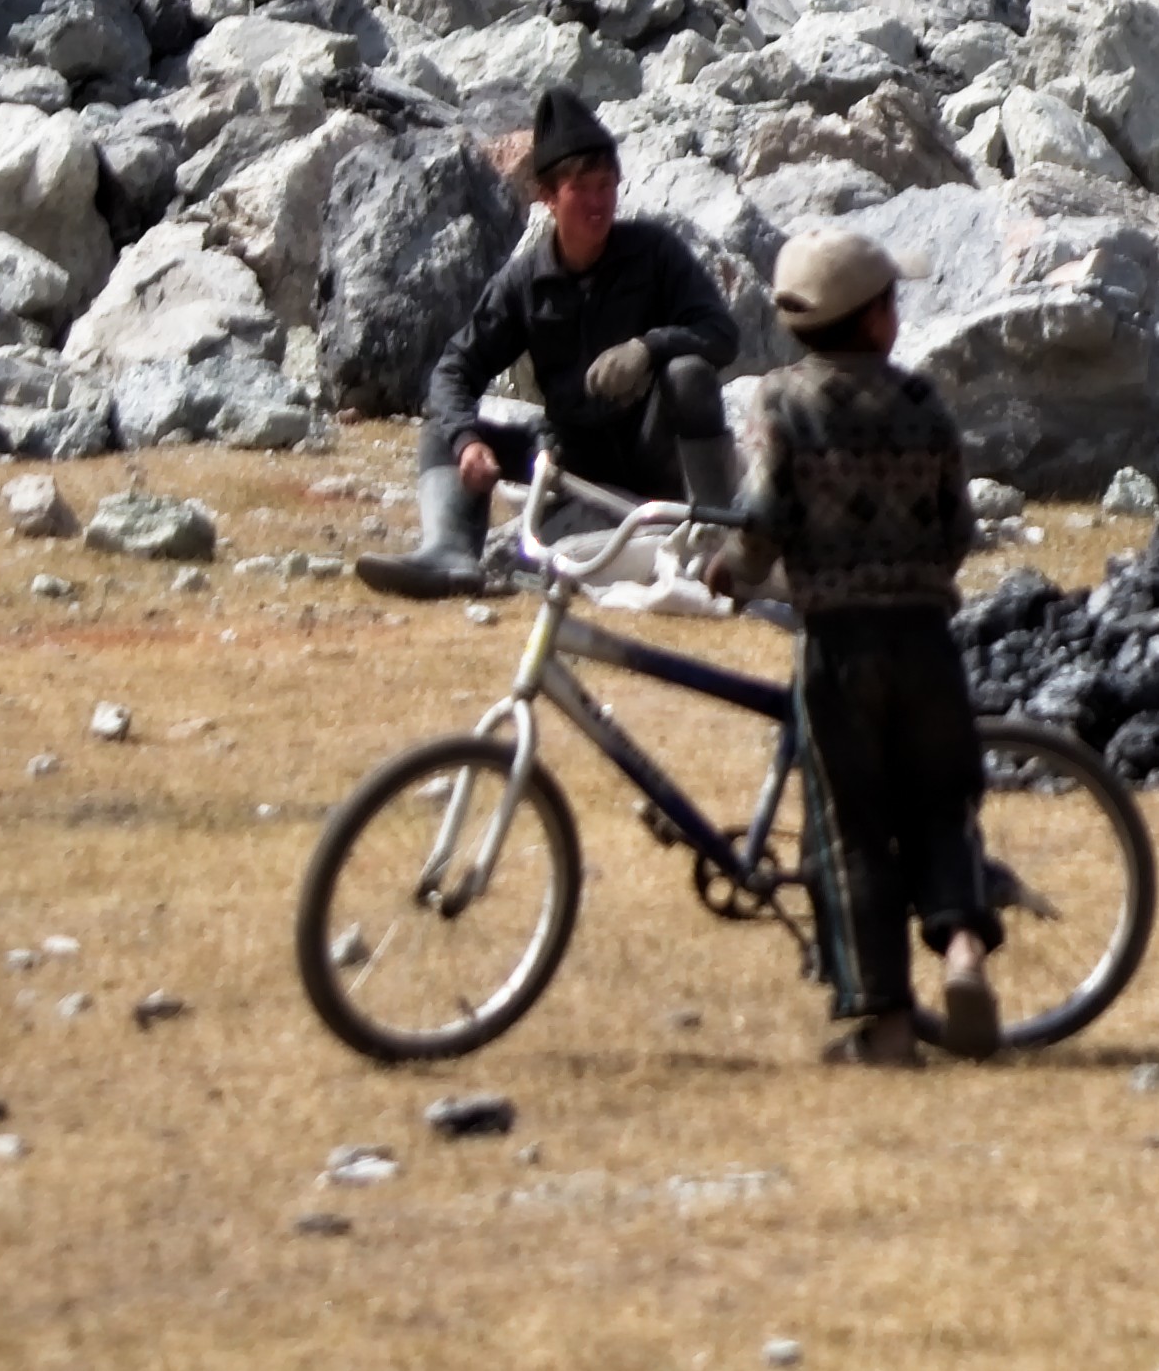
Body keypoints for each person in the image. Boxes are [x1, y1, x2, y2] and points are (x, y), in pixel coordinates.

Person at [718, 227, 1004, 1069]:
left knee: (848, 832)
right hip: (925, 641)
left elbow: (763, 523)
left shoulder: (782, 403)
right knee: (940, 807)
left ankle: (883, 1026)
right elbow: (958, 526)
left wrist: (730, 571)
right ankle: (961, 950)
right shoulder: (923, 403)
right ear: (875, 319)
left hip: (838, 650)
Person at [361, 89, 741, 595]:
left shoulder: (656, 254)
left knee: (687, 373)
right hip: (573, 459)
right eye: (582, 187)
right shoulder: (523, 283)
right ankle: (450, 555)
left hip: (656, 455)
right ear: (546, 194)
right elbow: (456, 369)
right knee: (444, 432)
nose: (599, 202)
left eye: (607, 185)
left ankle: (712, 539)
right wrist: (467, 442)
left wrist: (650, 347)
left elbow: (721, 334)